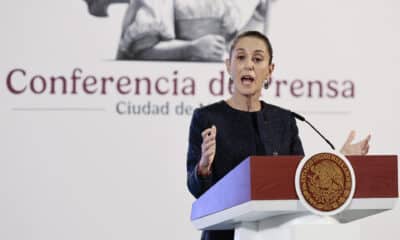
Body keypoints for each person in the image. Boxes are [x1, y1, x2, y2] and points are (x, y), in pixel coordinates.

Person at [186, 31, 371, 240]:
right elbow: (196, 190)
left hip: (277, 233)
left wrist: (339, 160)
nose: (248, 65)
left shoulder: (284, 120)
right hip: (223, 235)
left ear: (270, 70)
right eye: (240, 57)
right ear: (228, 66)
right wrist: (203, 167)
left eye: (257, 59)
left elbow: (303, 182)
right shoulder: (207, 118)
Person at [117, 0, 271, 61]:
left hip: (212, 87)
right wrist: (191, 49)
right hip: (168, 88)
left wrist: (257, 17)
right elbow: (141, 51)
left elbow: (231, 47)